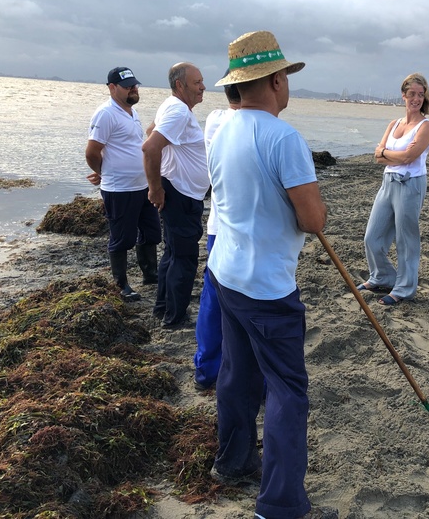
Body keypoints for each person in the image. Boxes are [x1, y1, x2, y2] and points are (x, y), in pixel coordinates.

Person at [207, 31, 335, 519]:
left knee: (238, 373)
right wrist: (314, 210)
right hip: (266, 286)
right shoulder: (283, 137)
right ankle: (280, 506)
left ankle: (233, 462)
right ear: (277, 79)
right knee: (287, 390)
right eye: (286, 77)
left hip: (226, 271)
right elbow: (312, 220)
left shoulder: (224, 130)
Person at [85, 67, 161, 302]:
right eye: (128, 86)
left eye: (135, 85)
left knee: (151, 233)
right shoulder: (106, 114)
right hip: (119, 189)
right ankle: (121, 284)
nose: (133, 89)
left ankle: (150, 273)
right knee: (122, 238)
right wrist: (103, 172)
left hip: (142, 186)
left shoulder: (131, 112)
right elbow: (92, 151)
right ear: (112, 88)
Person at [358, 73, 429, 306]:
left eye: (421, 95)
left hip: (410, 185)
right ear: (403, 95)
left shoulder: (425, 126)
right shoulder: (394, 124)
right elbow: (378, 157)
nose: (416, 99)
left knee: (406, 239)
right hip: (388, 183)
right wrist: (391, 156)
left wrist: (386, 153)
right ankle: (383, 276)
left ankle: (404, 288)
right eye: (412, 94)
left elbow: (408, 157)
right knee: (372, 237)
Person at [142, 62, 208, 329]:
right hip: (180, 193)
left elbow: (150, 131)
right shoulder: (179, 111)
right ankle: (175, 318)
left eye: (202, 81)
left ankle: (163, 309)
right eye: (197, 83)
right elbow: (150, 147)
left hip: (178, 189)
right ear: (180, 85)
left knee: (172, 253)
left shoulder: (172, 106)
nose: (203, 86)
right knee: (184, 256)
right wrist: (155, 188)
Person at [193, 73, 241, 390]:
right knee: (243, 303)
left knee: (213, 295)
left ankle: (207, 368)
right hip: (236, 231)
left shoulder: (214, 119)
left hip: (217, 225)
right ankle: (224, 371)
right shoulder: (243, 127)